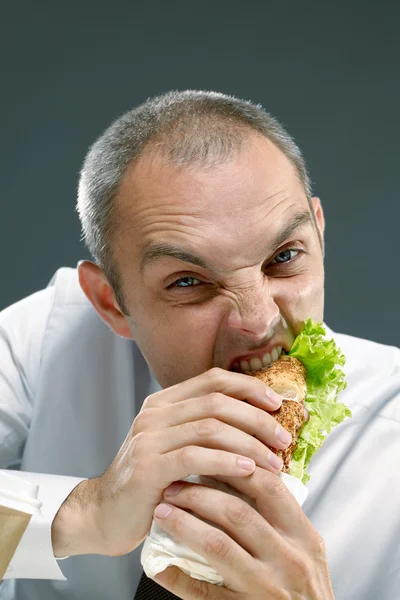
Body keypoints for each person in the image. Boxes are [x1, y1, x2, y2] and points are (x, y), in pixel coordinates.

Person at [0, 90, 398, 600]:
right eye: (188, 282)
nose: (257, 322)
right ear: (111, 302)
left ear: (319, 236)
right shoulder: (52, 340)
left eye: (284, 257)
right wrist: (83, 512)